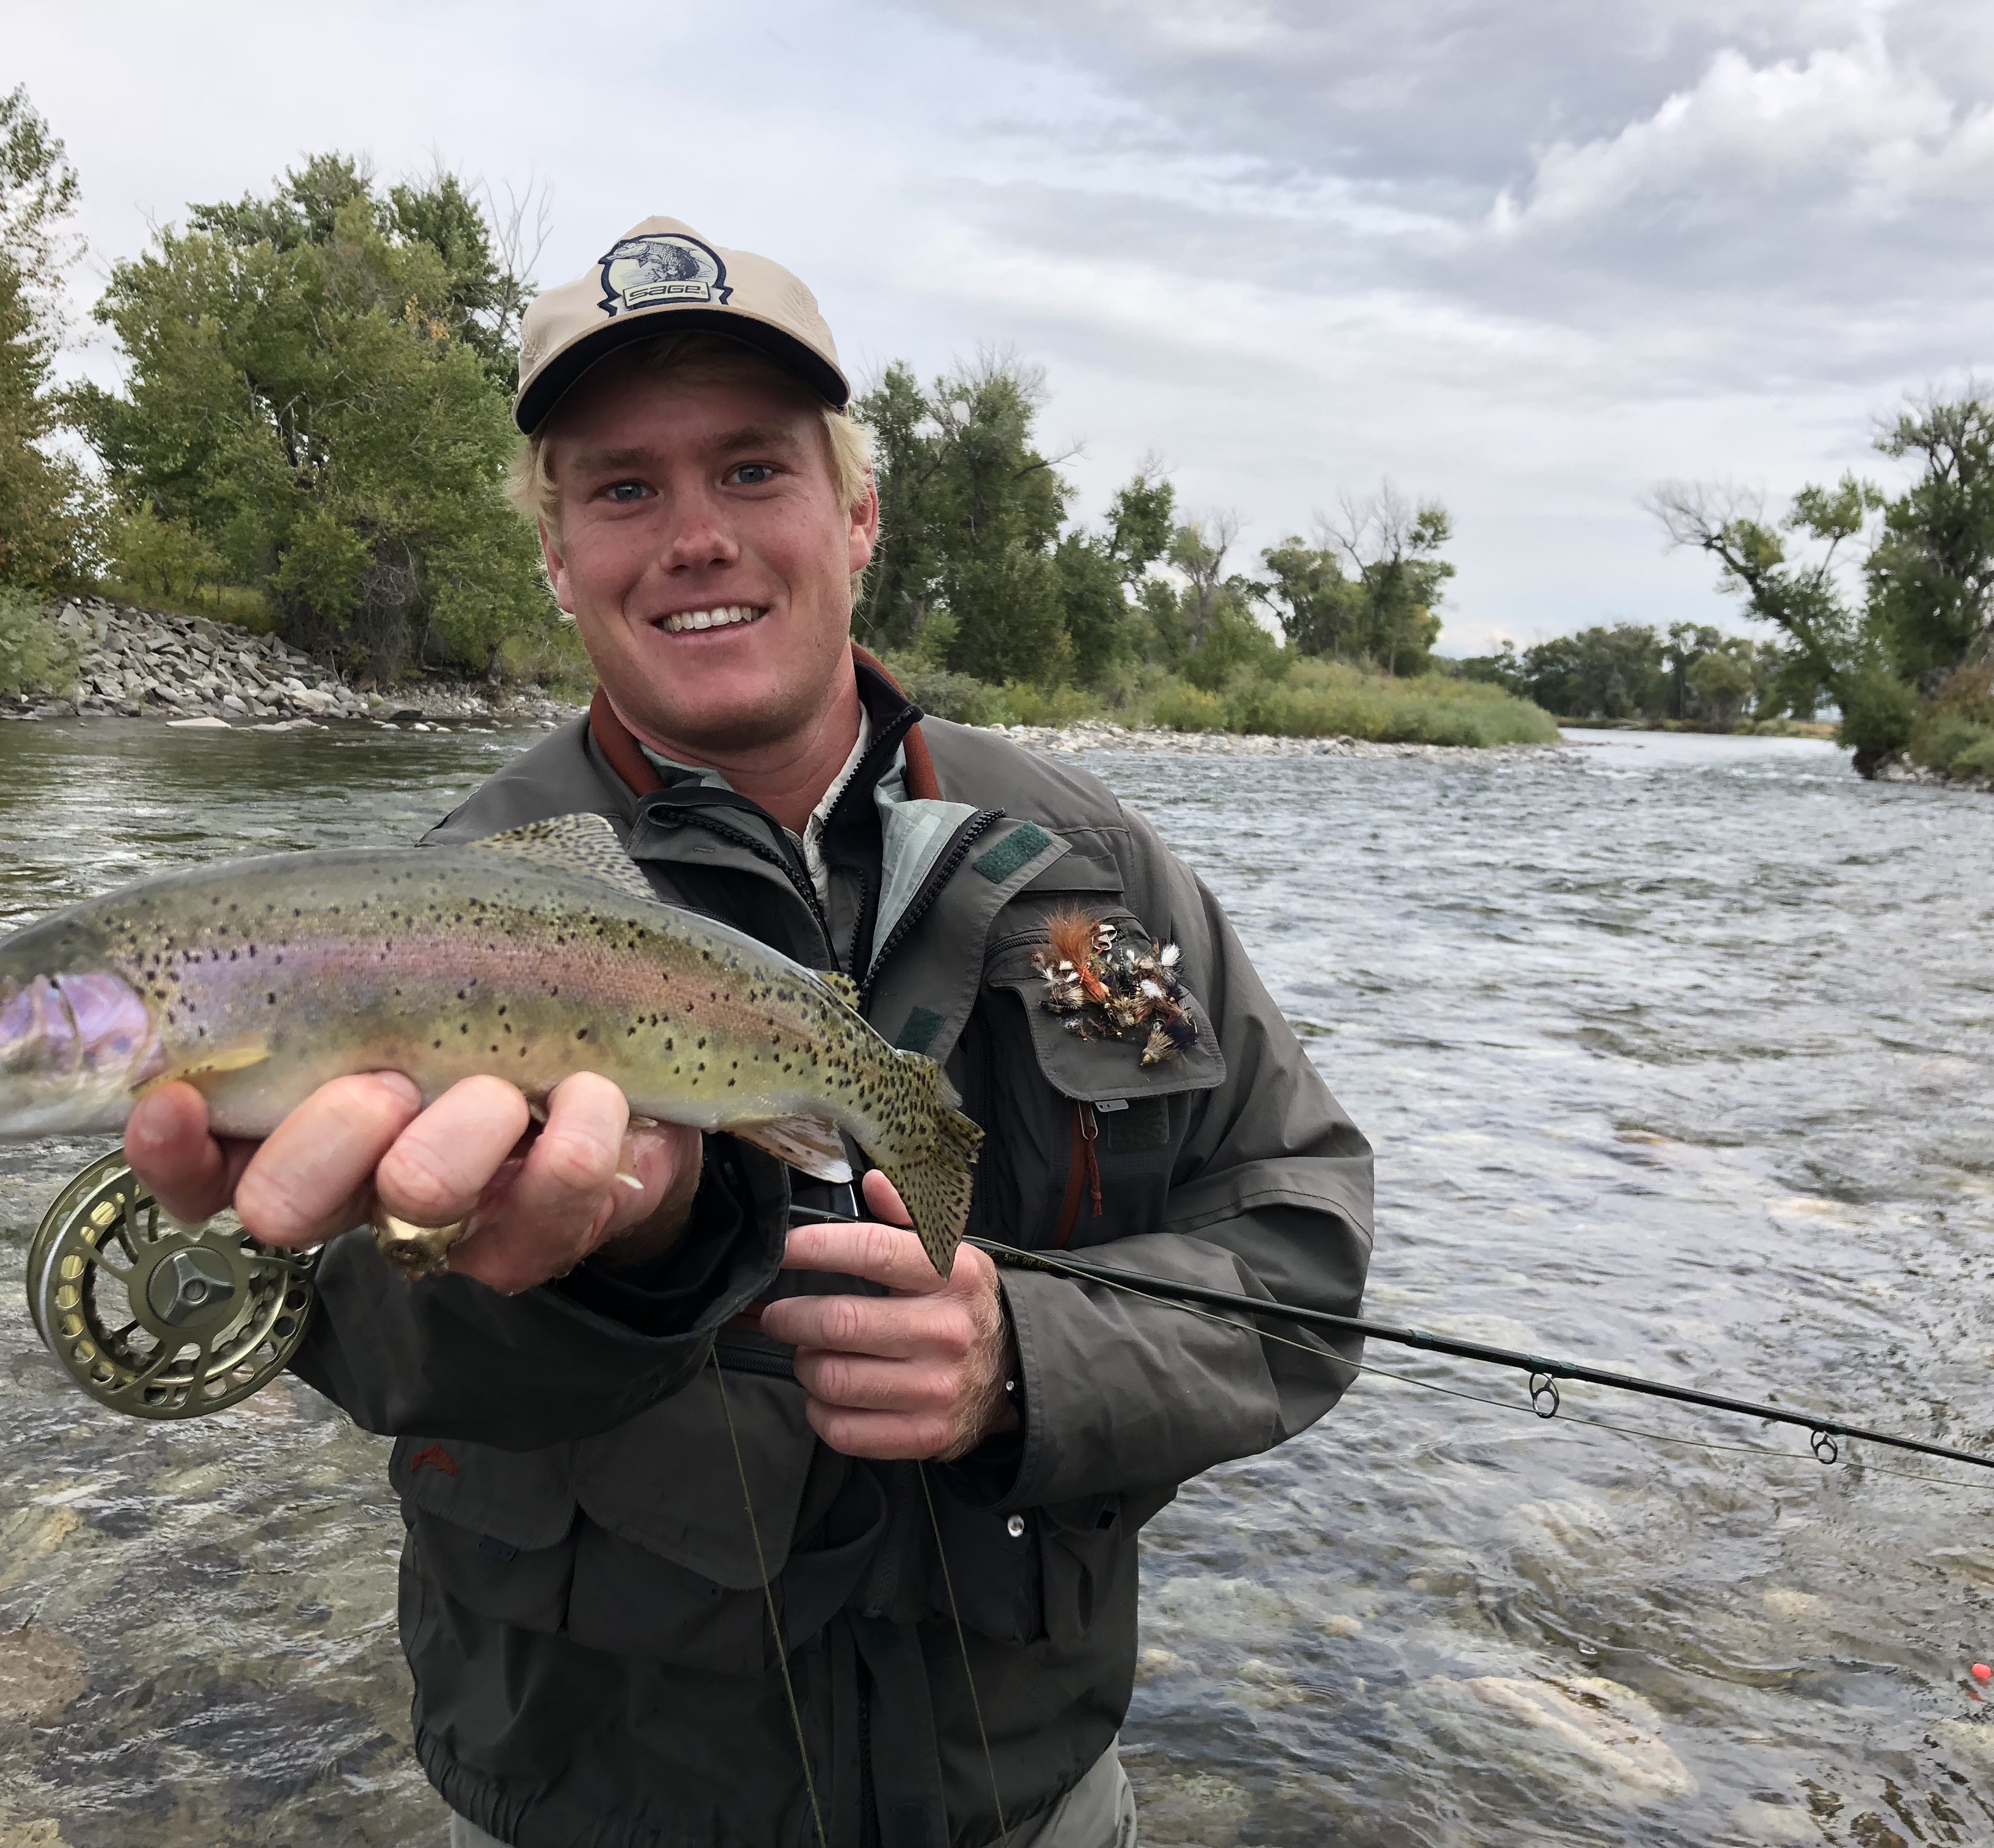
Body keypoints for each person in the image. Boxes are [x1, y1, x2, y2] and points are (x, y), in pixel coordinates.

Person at [124, 216, 1374, 1848]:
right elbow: (349, 1335)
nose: (692, 535)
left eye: (752, 470)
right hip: (593, 1803)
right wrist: (620, 1263)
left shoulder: (1090, 880)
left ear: (855, 519)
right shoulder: (416, 918)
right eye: (623, 488)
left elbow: (1296, 1251)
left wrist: (1029, 1366)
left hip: (1028, 1796)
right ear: (558, 557)